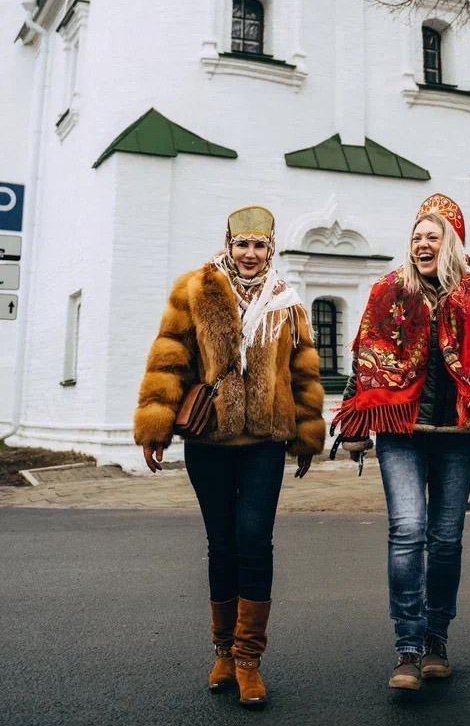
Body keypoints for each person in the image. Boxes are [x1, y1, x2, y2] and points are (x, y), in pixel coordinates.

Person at [133, 206, 326, 709]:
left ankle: (248, 658)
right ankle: (222, 650)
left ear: (271, 248)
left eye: (259, 245)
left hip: (265, 443)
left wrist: (306, 437)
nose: (249, 254)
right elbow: (169, 357)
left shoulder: (287, 301)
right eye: (241, 244)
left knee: (254, 540)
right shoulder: (195, 289)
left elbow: (303, 371)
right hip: (210, 444)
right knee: (222, 543)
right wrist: (155, 425)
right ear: (228, 243)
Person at [333, 194, 470, 691]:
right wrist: (356, 424)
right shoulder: (388, 291)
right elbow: (364, 355)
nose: (422, 243)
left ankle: (436, 640)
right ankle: (406, 647)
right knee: (407, 531)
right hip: (399, 433)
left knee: (445, 540)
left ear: (453, 243)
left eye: (433, 236)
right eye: (416, 236)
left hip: (455, 435)